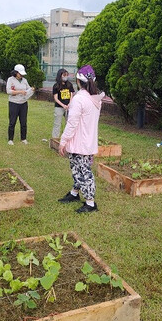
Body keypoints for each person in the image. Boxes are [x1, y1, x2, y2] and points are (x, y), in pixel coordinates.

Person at [58, 65, 105, 213]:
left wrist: (63, 141)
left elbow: (72, 124)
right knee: (78, 169)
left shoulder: (79, 99)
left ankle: (90, 203)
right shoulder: (95, 98)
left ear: (78, 81)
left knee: (83, 171)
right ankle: (74, 193)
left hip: (79, 142)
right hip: (87, 141)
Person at [6, 64, 33, 145]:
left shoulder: (24, 80)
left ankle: (23, 138)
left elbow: (28, 88)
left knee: (23, 122)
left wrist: (31, 90)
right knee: (12, 121)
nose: (21, 75)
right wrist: (20, 92)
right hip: (13, 103)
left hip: (23, 103)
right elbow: (8, 91)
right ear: (16, 72)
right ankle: (10, 139)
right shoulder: (10, 80)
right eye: (19, 73)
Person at [51, 68, 75, 139]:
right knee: (57, 123)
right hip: (59, 107)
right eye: (64, 75)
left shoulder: (69, 84)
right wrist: (63, 105)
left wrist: (69, 104)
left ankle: (68, 138)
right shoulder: (56, 86)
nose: (66, 76)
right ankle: (55, 138)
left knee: (69, 123)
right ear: (60, 75)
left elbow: (71, 94)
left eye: (67, 75)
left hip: (68, 107)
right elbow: (56, 98)